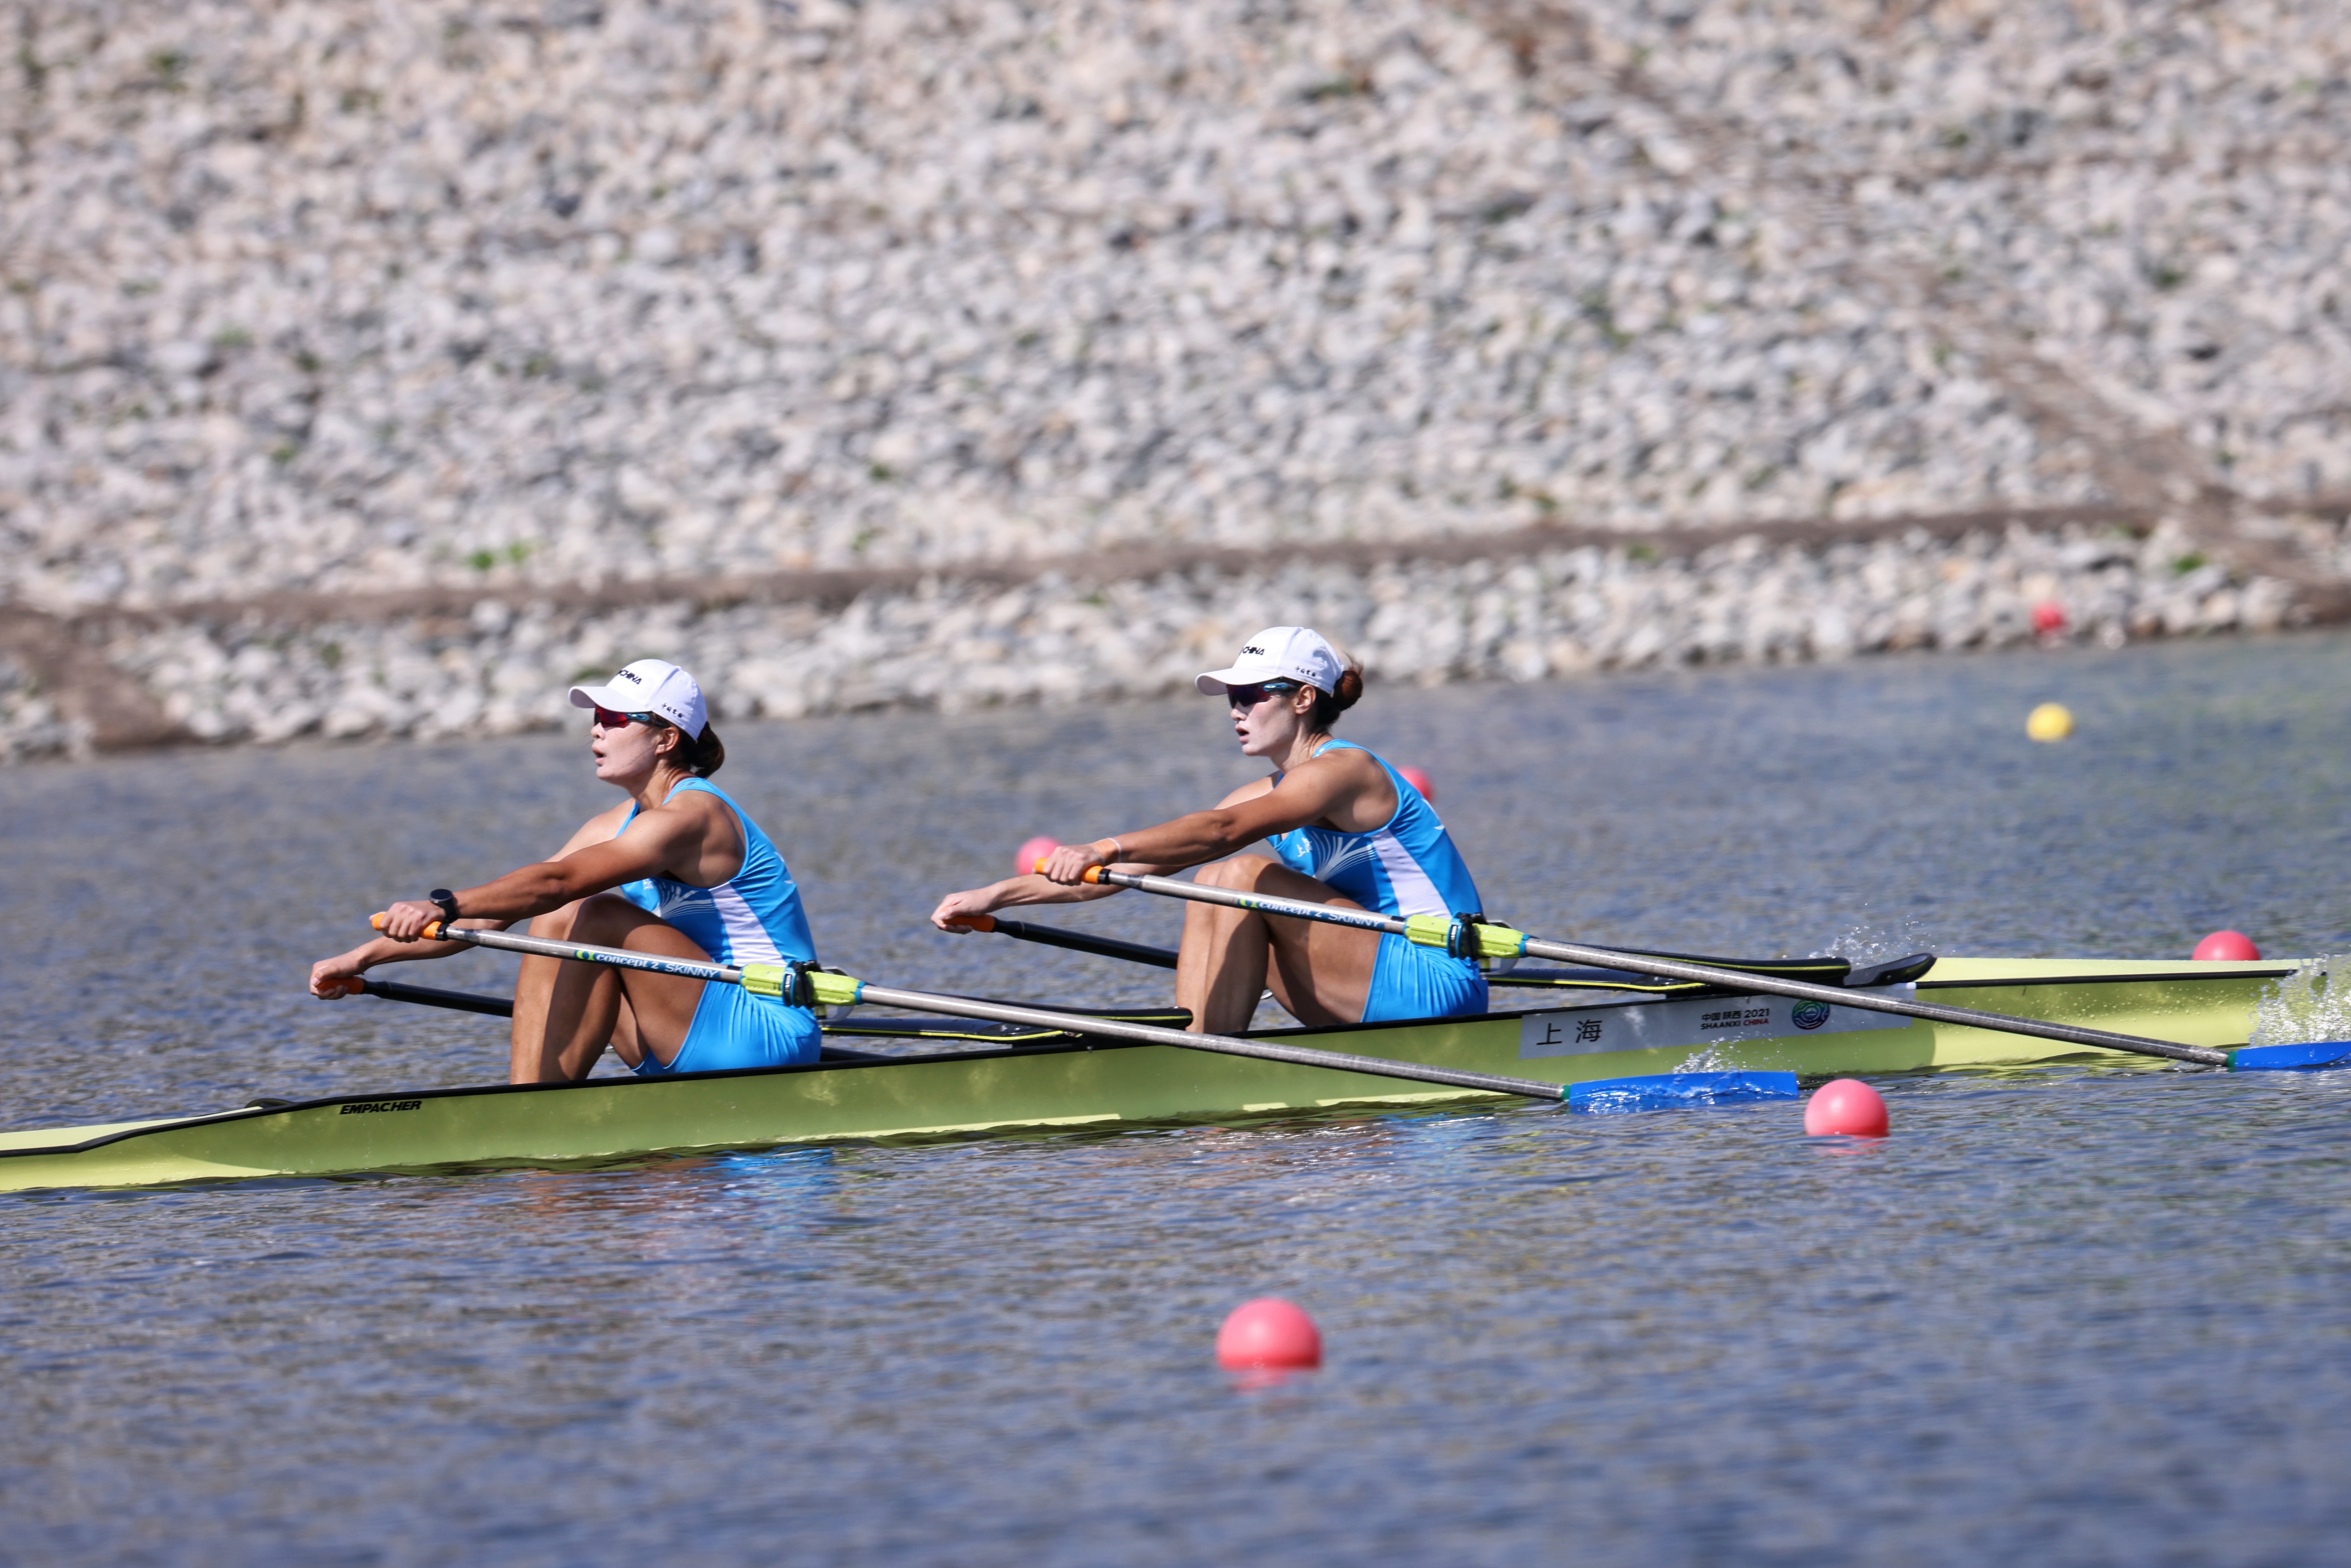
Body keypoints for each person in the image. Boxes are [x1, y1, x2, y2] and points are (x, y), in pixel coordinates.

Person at [929, 627, 1488, 1034]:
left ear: (1302, 699)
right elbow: (1115, 875)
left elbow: (1221, 830)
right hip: (1372, 976)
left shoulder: (1347, 771)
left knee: (1239, 869)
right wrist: (995, 895)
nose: (1235, 710)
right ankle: (1199, 1045)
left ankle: (1204, 1060)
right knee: (1217, 875)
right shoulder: (1269, 793)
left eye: (1251, 696)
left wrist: (1101, 844)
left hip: (1437, 979)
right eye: (1231, 698)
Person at [309, 658, 824, 1082]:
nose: (598, 728)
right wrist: (363, 957)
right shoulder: (616, 826)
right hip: (683, 1028)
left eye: (617, 719)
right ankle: (534, 1098)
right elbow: (490, 923)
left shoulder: (695, 816)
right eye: (597, 716)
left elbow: (556, 883)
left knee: (590, 909)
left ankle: (532, 1109)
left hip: (765, 1031)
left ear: (666, 739)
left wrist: (442, 904)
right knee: (564, 915)